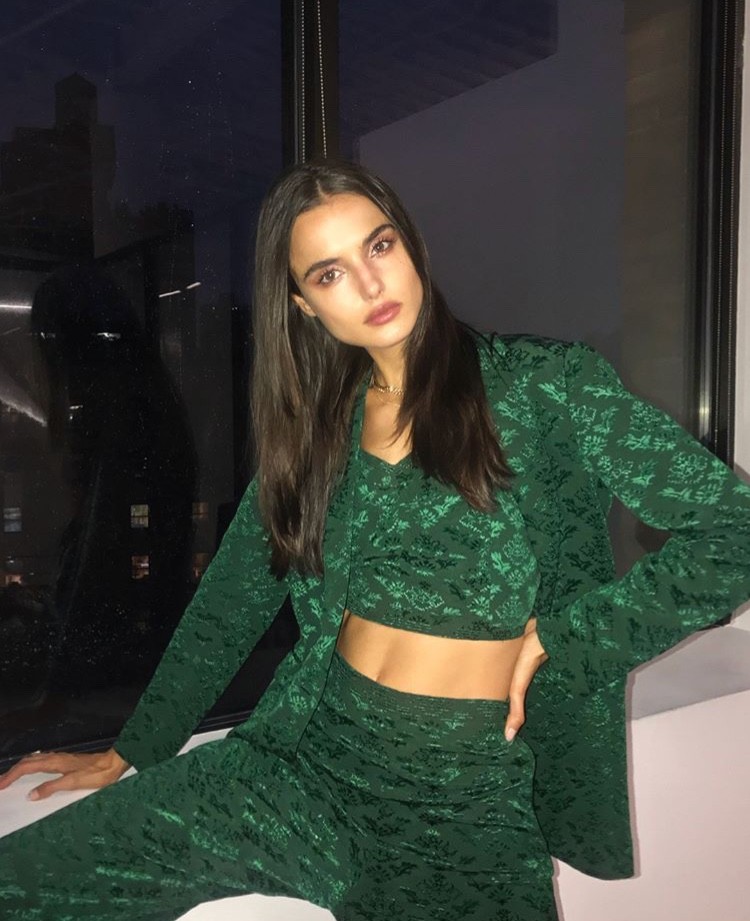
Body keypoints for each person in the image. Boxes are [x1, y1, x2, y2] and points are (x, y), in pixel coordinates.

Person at [1, 159, 749, 921]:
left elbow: (734, 531)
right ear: (304, 304)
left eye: (379, 246)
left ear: (411, 246)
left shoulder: (544, 383)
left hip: (458, 798)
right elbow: (232, 597)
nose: (368, 283)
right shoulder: (318, 430)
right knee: (24, 881)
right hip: (304, 758)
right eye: (329, 273)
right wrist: (134, 746)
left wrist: (573, 638)